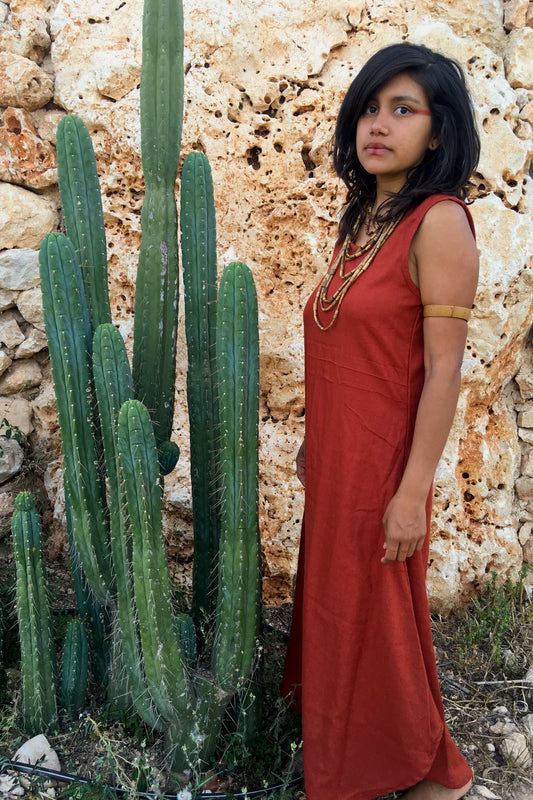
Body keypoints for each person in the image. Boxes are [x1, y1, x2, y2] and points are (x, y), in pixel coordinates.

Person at [281, 43, 481, 800]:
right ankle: (374, 756)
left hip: (386, 467)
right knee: (343, 611)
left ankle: (422, 768)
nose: (378, 124)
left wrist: (412, 492)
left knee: (381, 619)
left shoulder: (439, 223)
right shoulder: (362, 220)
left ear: (437, 132)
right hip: (338, 459)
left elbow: (443, 369)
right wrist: (313, 435)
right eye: (369, 106)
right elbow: (350, 344)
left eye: (403, 109)